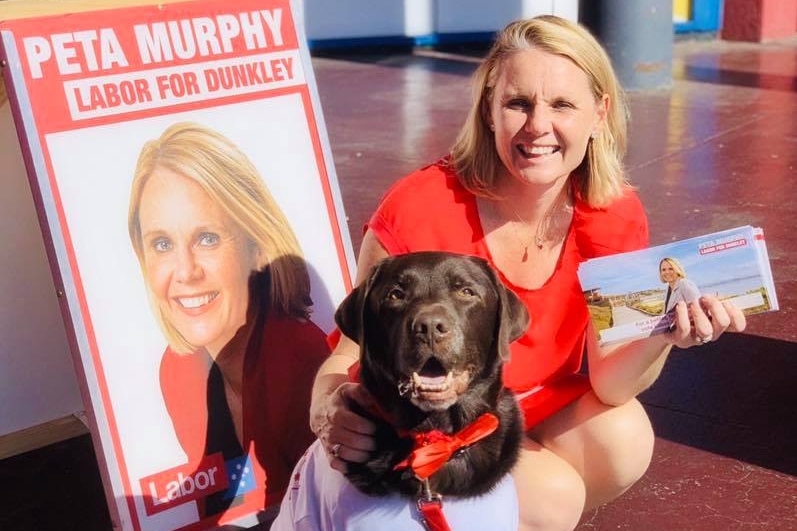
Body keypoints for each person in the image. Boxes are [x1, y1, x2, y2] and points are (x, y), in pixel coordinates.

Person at [308, 16, 747, 531]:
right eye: (519, 103)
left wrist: (667, 335)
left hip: (532, 408)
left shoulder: (613, 214)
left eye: (562, 105)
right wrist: (326, 411)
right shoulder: (420, 206)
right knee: (552, 497)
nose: (538, 126)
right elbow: (347, 353)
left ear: (598, 113)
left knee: (624, 437)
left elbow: (611, 384)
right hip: (432, 419)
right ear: (490, 111)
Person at [127, 122, 329, 523]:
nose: (184, 271)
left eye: (207, 238)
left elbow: (330, 512)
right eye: (163, 244)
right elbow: (227, 507)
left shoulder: (300, 358)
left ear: (257, 248)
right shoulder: (179, 369)